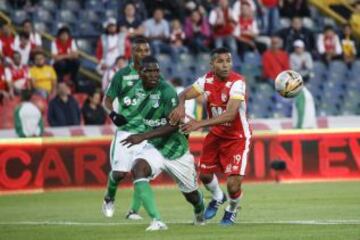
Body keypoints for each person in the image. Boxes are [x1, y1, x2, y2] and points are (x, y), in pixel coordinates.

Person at [120, 56, 205, 231]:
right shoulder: (134, 91)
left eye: (156, 71)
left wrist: (142, 136)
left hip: (176, 150)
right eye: (148, 71)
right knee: (138, 168)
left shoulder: (167, 91)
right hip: (154, 147)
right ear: (139, 73)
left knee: (192, 196)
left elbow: (172, 127)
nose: (153, 74)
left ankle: (200, 209)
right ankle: (157, 220)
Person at [169, 48, 252, 225]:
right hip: (216, 134)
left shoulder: (238, 82)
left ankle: (231, 209)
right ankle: (217, 196)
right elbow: (182, 95)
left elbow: (230, 115)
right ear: (212, 64)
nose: (225, 65)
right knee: (205, 176)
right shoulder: (205, 80)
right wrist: (181, 107)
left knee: (233, 185)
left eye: (228, 60)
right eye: (220, 61)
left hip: (237, 137)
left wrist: (199, 123)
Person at [102, 37, 151, 221]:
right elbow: (106, 101)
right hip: (126, 132)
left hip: (146, 133)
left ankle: (133, 211)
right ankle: (109, 197)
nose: (143, 54)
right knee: (119, 174)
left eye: (146, 50)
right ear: (132, 52)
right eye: (139, 50)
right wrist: (113, 115)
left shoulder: (154, 73)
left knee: (141, 173)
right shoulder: (122, 75)